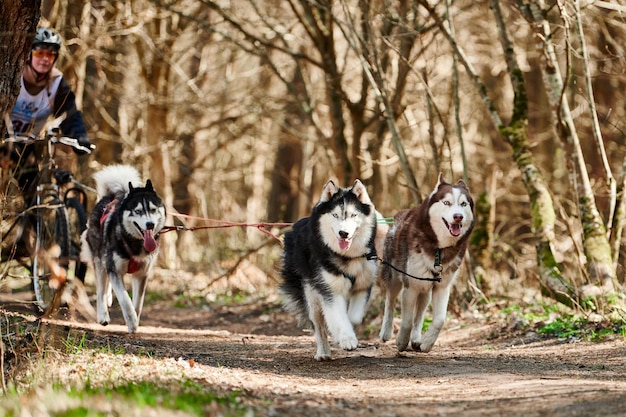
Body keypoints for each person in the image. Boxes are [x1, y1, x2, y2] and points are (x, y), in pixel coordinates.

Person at [2, 28, 92, 192]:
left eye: (50, 55)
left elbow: (70, 113)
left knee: (31, 190)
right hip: (3, 140)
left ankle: (31, 217)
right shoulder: (14, 73)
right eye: (39, 53)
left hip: (26, 145)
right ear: (29, 54)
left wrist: (80, 136)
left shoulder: (57, 83)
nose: (45, 59)